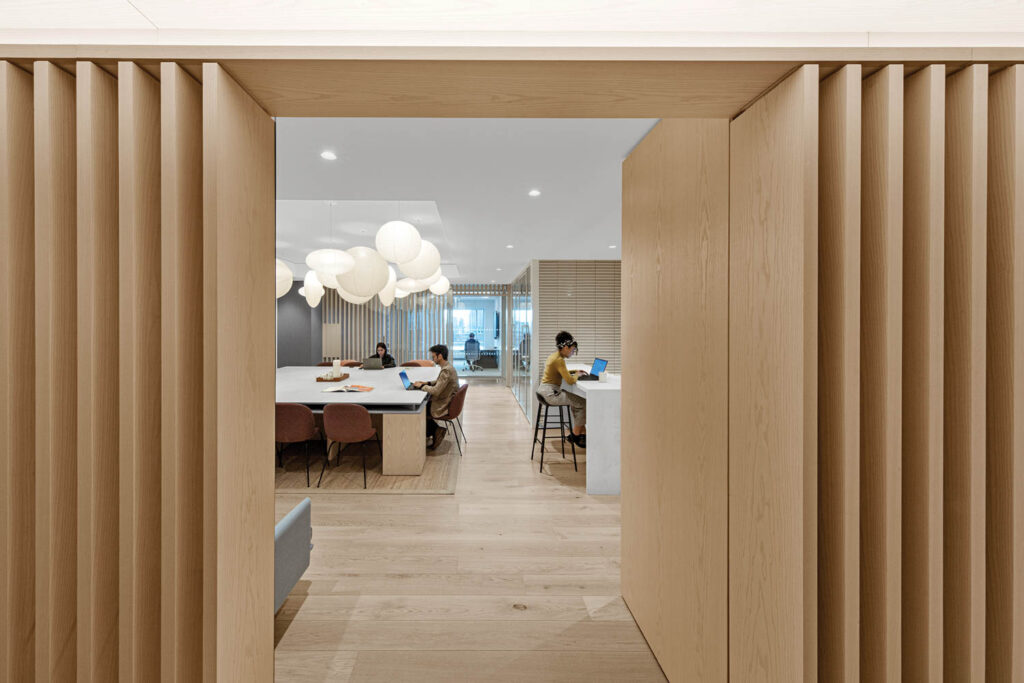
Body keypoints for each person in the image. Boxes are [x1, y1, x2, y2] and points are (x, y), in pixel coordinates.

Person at [539, 331, 587, 448]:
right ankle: (576, 435)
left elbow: (561, 373)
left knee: (575, 402)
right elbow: (570, 381)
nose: (572, 352)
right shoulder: (559, 360)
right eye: (572, 350)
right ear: (565, 347)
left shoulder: (554, 356)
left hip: (543, 391)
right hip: (550, 394)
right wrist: (576, 375)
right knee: (583, 403)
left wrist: (573, 373)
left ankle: (581, 432)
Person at [413, 344, 460, 450]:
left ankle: (436, 431)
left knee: (419, 411)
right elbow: (440, 382)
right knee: (423, 406)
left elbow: (436, 391)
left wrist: (422, 386)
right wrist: (428, 382)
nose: (432, 359)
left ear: (440, 356)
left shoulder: (446, 370)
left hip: (444, 404)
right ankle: (433, 431)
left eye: (433, 356)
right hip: (447, 400)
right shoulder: (448, 367)